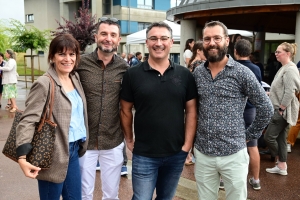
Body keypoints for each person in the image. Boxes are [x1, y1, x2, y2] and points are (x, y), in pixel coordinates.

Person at [193, 21, 273, 200]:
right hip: (203, 153)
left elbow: (266, 107)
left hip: (234, 154)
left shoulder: (241, 72)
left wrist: (250, 134)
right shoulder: (198, 73)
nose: (212, 43)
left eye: (217, 38)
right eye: (207, 39)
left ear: (227, 41)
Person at [120, 21, 197, 199]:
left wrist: (187, 145)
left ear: (171, 42)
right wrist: (129, 139)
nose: (158, 43)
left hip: (176, 153)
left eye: (164, 38)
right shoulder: (132, 74)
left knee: (165, 198)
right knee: (141, 198)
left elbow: (192, 111)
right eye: (153, 38)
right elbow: (125, 110)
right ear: (147, 42)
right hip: (144, 153)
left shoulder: (184, 75)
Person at [16, 34, 88, 199]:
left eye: (72, 54)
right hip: (52, 153)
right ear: (52, 56)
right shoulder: (44, 83)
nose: (67, 59)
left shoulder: (74, 78)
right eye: (61, 54)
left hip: (74, 150)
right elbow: (28, 120)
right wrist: (21, 156)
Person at [77, 17, 129, 200]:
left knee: (111, 195)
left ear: (118, 39)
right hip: (85, 141)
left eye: (113, 35)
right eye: (104, 33)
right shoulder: (79, 64)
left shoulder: (125, 67)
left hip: (112, 140)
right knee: (83, 194)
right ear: (96, 36)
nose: (108, 38)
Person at [264, 42, 300, 176]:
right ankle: (282, 166)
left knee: (269, 137)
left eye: (279, 52)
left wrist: (281, 109)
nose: (276, 54)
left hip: (282, 110)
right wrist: (270, 94)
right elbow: (282, 88)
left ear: (288, 54)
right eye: (276, 51)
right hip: (281, 108)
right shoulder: (284, 67)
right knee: (280, 139)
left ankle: (280, 162)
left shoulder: (290, 69)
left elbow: (291, 91)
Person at [234, 39, 262, 190]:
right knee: (253, 147)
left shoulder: (232, 67)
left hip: (235, 111)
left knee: (230, 146)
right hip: (251, 110)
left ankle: (223, 181)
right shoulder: (256, 69)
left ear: (235, 52)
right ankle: (256, 180)